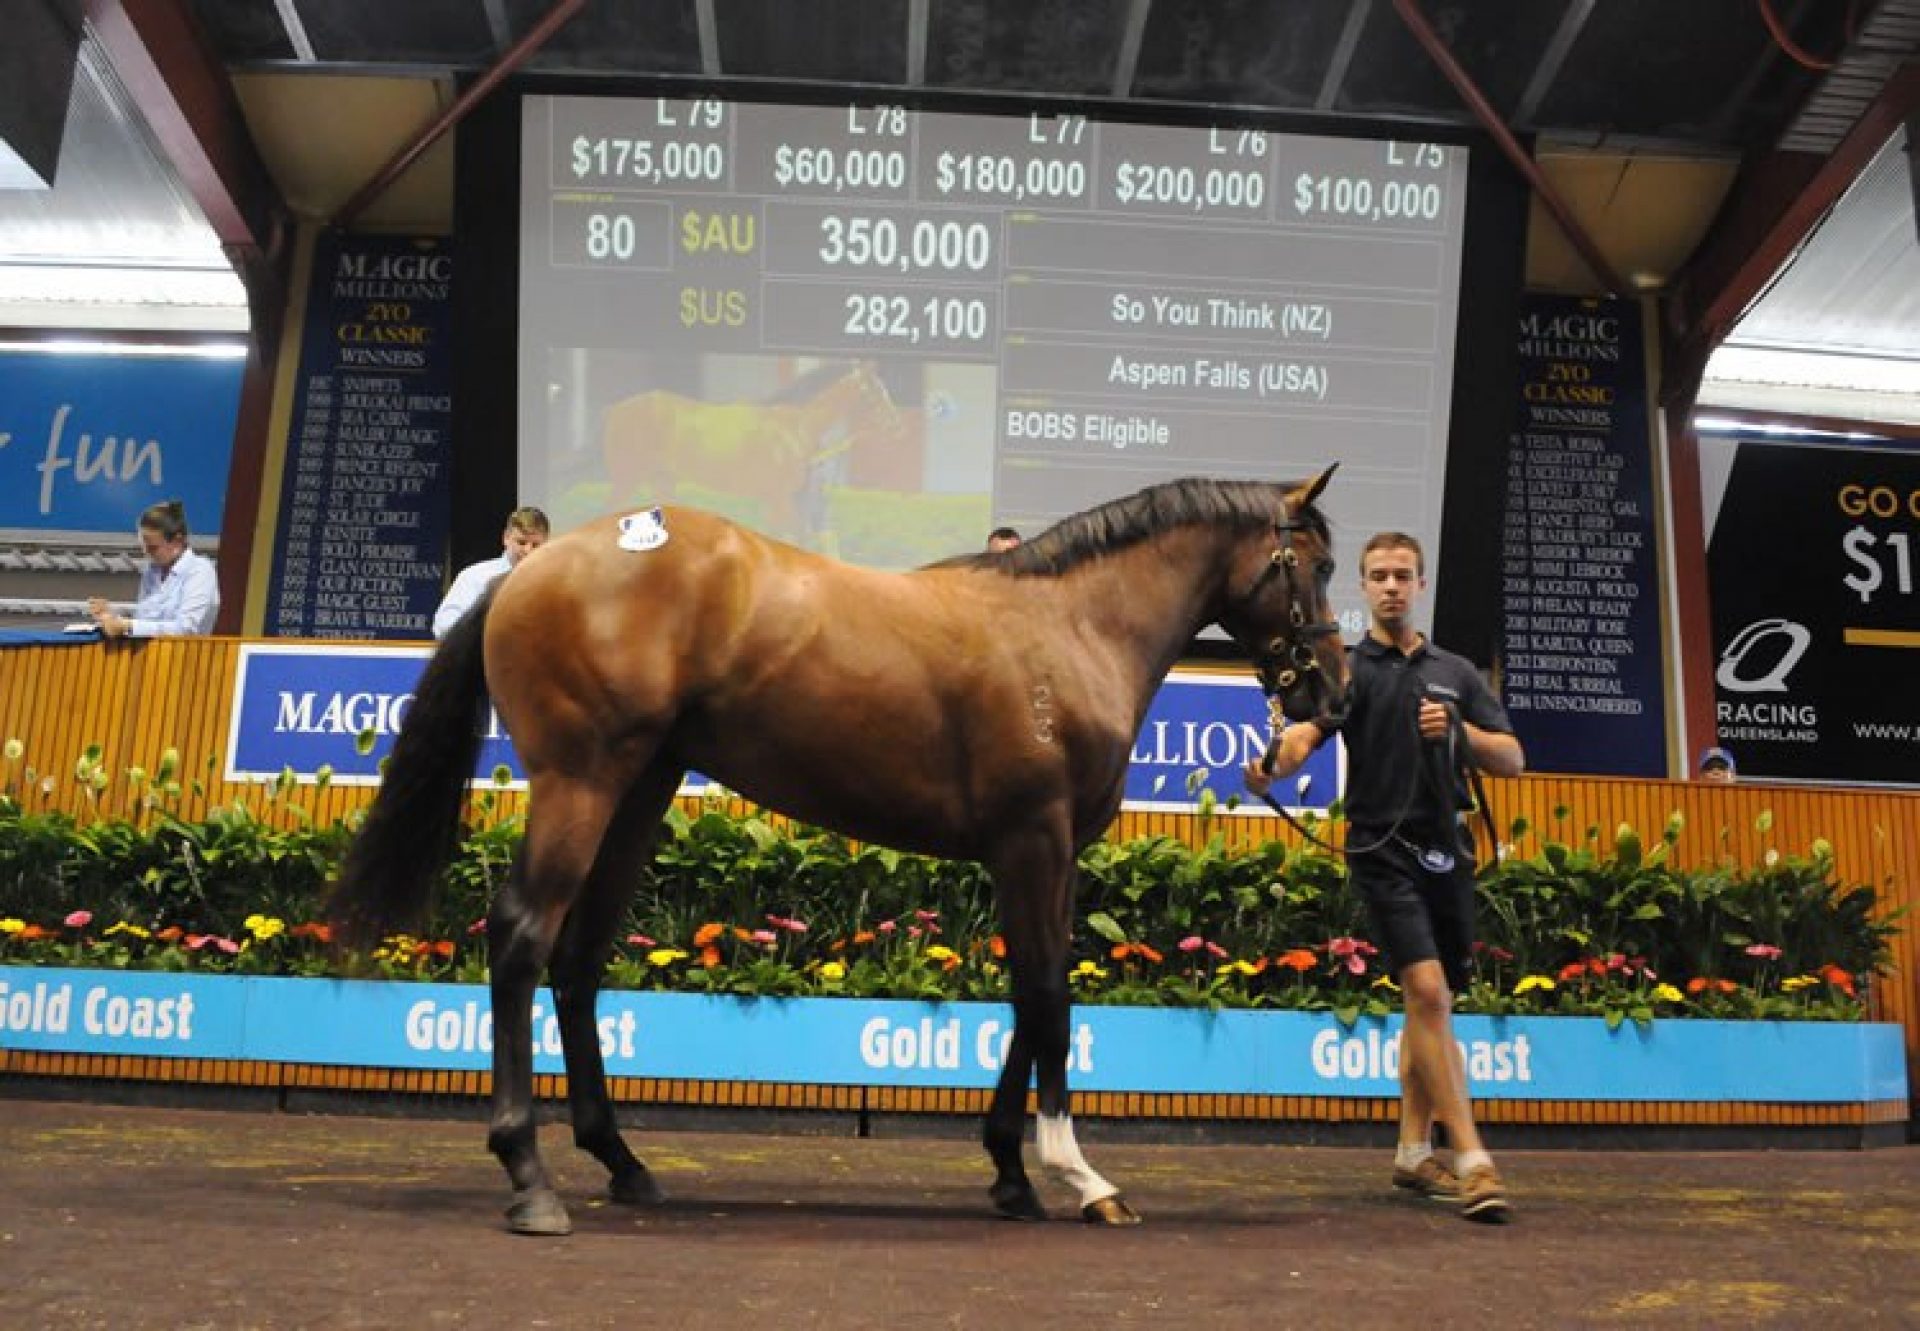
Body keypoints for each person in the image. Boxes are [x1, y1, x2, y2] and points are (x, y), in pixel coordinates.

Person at [1243, 531, 1524, 1223]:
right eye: (1379, 575)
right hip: (1380, 851)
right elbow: (1305, 736)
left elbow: (1512, 759)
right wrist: (1273, 765)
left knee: (1430, 1004)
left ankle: (1408, 1151)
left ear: (1420, 584)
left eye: (1402, 574)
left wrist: (1457, 732)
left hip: (1447, 850)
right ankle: (1471, 1157)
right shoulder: (1348, 673)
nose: (1391, 585)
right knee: (1427, 989)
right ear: (1362, 588)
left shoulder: (1456, 673)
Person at [88, 500, 220, 638]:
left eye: (153, 547)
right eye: (143, 546)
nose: (146, 552)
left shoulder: (200, 570)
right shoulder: (151, 571)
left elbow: (186, 628)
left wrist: (127, 625)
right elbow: (144, 622)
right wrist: (112, 617)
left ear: (177, 541)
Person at [432, 507, 550, 639]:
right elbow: (443, 626)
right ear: (506, 538)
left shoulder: (553, 584)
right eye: (521, 542)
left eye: (535, 545)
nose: (528, 551)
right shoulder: (475, 577)